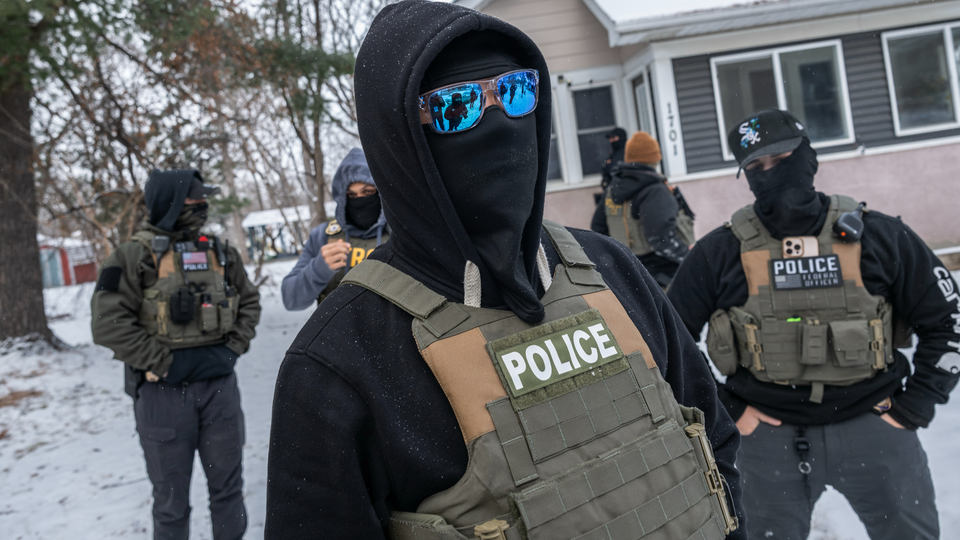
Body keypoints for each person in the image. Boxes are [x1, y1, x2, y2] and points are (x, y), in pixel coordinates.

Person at [265, 2, 743, 539]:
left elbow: (714, 446)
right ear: (399, 141)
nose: (499, 123)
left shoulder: (611, 268)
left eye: (515, 91)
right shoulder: (341, 358)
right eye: (457, 105)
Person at [667, 109, 960, 540]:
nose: (772, 173)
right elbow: (666, 343)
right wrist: (728, 411)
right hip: (766, 443)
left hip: (875, 427)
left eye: (783, 158)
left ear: (809, 157)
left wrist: (915, 405)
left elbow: (948, 321)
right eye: (757, 166)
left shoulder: (879, 236)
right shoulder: (720, 251)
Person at [91, 169, 261, 540]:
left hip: (219, 391)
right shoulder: (131, 256)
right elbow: (107, 324)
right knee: (171, 504)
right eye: (193, 200)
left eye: (203, 200)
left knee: (229, 494)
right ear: (169, 203)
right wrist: (166, 362)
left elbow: (249, 302)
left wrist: (233, 348)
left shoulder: (219, 252)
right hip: (162, 395)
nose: (202, 206)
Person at [281, 148, 388, 310]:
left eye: (367, 191)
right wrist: (318, 269)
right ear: (342, 197)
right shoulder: (322, 236)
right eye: (351, 195)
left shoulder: (399, 234)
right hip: (337, 326)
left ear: (380, 192)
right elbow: (291, 300)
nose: (359, 200)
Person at [591, 131, 695, 289]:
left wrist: (621, 256)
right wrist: (689, 257)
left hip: (629, 274)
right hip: (663, 277)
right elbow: (660, 238)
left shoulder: (612, 189)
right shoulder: (654, 191)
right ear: (655, 159)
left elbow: (598, 226)